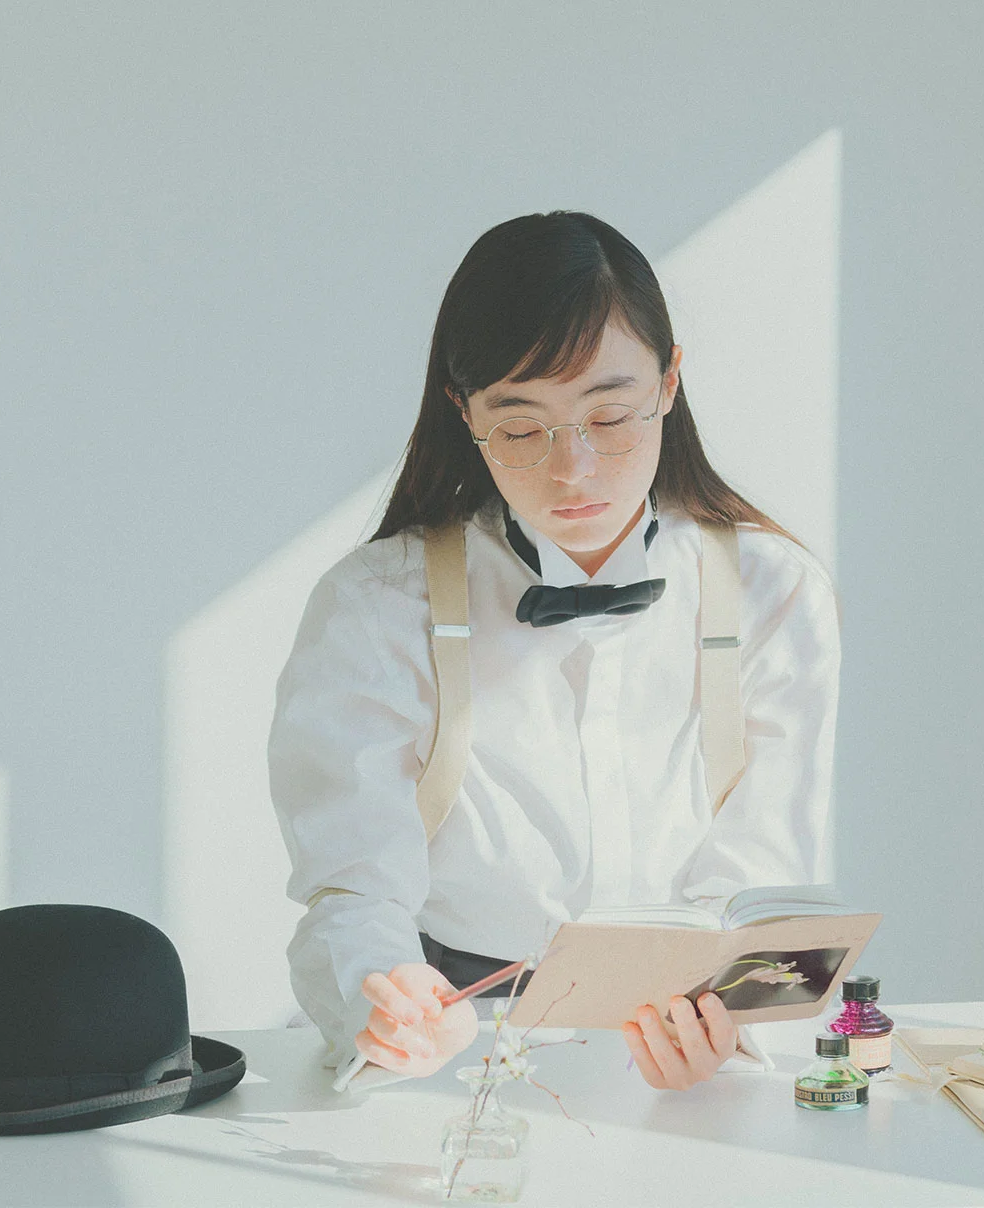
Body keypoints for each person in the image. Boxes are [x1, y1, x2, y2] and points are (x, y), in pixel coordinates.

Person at [268, 210, 840, 1092]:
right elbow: (351, 892)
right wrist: (384, 1002)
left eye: (608, 416)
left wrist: (732, 1026)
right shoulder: (378, 604)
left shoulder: (775, 590)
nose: (572, 469)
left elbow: (771, 878)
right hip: (458, 1050)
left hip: (695, 1048)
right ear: (463, 410)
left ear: (669, 382)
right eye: (520, 427)